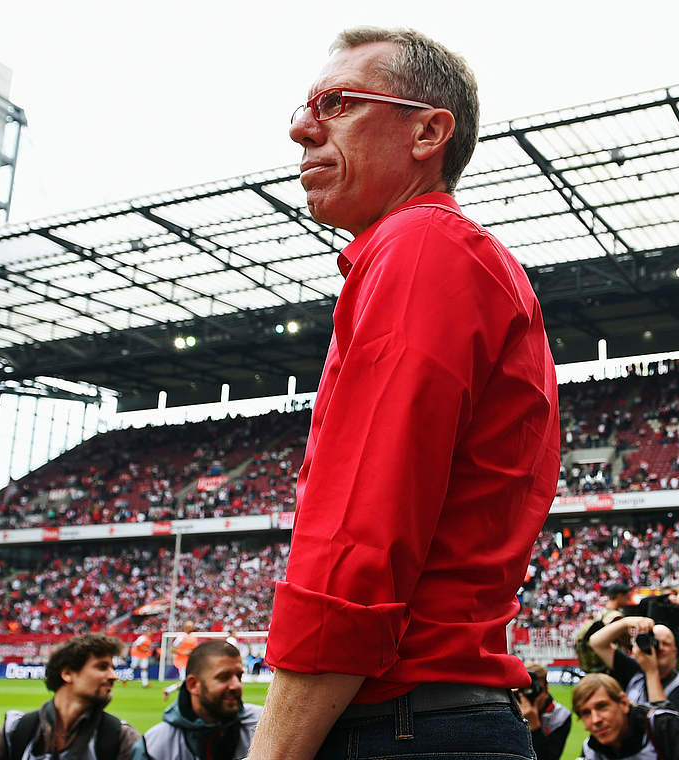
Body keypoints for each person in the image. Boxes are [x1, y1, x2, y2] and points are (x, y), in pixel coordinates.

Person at [246, 25, 559, 760]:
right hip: (436, 718)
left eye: (338, 102)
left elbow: (361, 536)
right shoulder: (447, 255)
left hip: (401, 724)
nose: (300, 127)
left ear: (428, 132)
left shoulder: (421, 246)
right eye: (306, 105)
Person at [0, 633, 146, 760]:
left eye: (112, 668)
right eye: (102, 667)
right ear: (68, 673)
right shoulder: (16, 731)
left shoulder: (121, 738)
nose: (113, 676)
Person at [144, 640, 261, 760]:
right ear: (193, 685)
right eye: (224, 677)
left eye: (239, 676)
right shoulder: (155, 745)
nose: (237, 685)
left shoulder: (263, 725)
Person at [588, 615, 679, 723]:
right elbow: (596, 643)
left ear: (675, 652)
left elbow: (667, 728)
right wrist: (626, 622)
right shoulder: (635, 672)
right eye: (655, 643)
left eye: (666, 644)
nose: (660, 648)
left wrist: (651, 672)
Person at [573, 673, 679, 760]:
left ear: (624, 703)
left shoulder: (662, 726)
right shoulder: (591, 749)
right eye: (586, 713)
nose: (596, 719)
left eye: (602, 707)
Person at [517, 663, 572, 760]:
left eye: (536, 690)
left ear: (547, 689)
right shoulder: (509, 710)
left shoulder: (561, 716)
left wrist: (534, 728)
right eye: (526, 689)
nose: (531, 694)